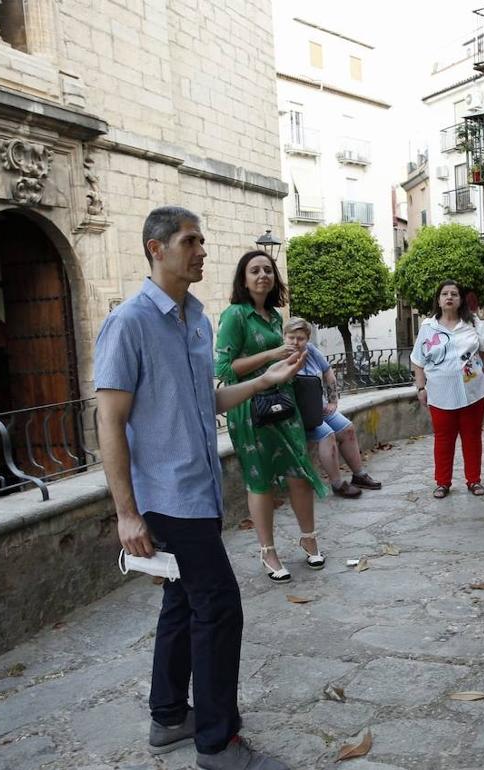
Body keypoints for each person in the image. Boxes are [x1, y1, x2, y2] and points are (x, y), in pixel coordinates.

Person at [94, 206, 294, 770]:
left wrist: (263, 381)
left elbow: (204, 402)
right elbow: (109, 421)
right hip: (166, 496)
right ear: (156, 249)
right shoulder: (130, 322)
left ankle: (168, 717)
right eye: (190, 241)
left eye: (203, 240)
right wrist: (126, 514)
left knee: (182, 601)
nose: (202, 250)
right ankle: (217, 742)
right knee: (220, 607)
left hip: (198, 487)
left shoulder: (195, 319)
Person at [215, 250, 327, 583]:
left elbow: (281, 362)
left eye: (268, 269)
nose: (262, 275)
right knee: (260, 479)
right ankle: (268, 551)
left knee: (300, 472)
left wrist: (292, 364)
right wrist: (272, 355)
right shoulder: (235, 316)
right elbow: (223, 368)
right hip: (249, 408)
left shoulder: (276, 317)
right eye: (254, 270)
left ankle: (309, 538)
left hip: (284, 402)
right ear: (243, 278)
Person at [282, 317, 382, 500]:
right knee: (327, 435)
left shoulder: (311, 351)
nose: (296, 342)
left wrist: (333, 401)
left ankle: (359, 475)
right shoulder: (280, 357)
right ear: (284, 337)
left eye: (301, 338)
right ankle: (337, 484)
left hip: (318, 407)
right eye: (291, 337)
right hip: (298, 415)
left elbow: (328, 373)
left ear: (307, 339)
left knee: (347, 429)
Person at [410, 280, 484, 498]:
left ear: (461, 299)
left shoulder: (472, 323)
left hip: (473, 391)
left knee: (472, 436)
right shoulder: (428, 328)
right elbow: (417, 361)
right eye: (445, 294)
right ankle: (442, 482)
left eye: (454, 294)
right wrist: (420, 388)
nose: (449, 297)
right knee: (443, 438)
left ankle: (474, 480)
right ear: (438, 299)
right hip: (440, 392)